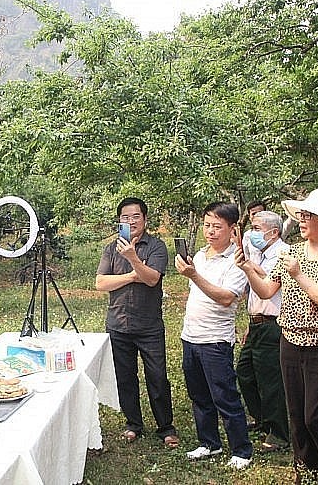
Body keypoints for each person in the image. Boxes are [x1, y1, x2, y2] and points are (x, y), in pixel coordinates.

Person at [235, 189, 318, 484]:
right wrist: (247, 268)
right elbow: (266, 289)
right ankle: (308, 476)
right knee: (297, 419)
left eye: (309, 216)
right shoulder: (291, 253)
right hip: (290, 342)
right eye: (301, 215)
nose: (302, 220)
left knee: (316, 417)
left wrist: (300, 275)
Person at [95, 197, 179, 448]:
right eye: (125, 217)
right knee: (125, 378)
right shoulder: (111, 248)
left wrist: (132, 258)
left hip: (148, 326)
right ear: (119, 220)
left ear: (145, 219)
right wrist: (133, 275)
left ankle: (165, 427)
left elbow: (152, 279)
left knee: (157, 377)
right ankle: (133, 424)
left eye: (135, 217)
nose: (130, 221)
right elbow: (100, 283)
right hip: (118, 324)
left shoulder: (156, 246)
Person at [175, 202, 253, 470]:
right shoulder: (198, 256)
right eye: (207, 225)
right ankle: (209, 443)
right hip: (191, 336)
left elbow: (226, 298)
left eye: (217, 227)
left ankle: (242, 450)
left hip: (215, 340)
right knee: (199, 395)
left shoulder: (237, 262)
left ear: (232, 230)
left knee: (225, 396)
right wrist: (194, 272)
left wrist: (194, 275)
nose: (210, 231)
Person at [234, 210, 290, 452]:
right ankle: (261, 419)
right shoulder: (262, 253)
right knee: (245, 373)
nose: (252, 233)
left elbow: (269, 282)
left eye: (256, 228)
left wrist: (248, 266)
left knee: (271, 380)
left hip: (274, 324)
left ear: (273, 232)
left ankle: (278, 433)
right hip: (256, 323)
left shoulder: (284, 253)